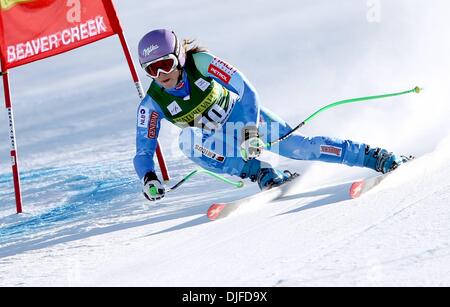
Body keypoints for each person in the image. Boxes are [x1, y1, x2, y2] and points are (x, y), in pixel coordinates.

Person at [134, 29, 410, 201]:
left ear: (179, 58)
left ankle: (373, 156)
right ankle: (261, 172)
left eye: (166, 65)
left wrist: (250, 133)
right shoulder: (151, 104)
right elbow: (143, 153)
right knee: (186, 141)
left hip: (245, 117)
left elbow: (248, 92)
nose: (161, 75)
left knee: (300, 149)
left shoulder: (202, 63)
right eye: (151, 70)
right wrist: (149, 179)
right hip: (216, 138)